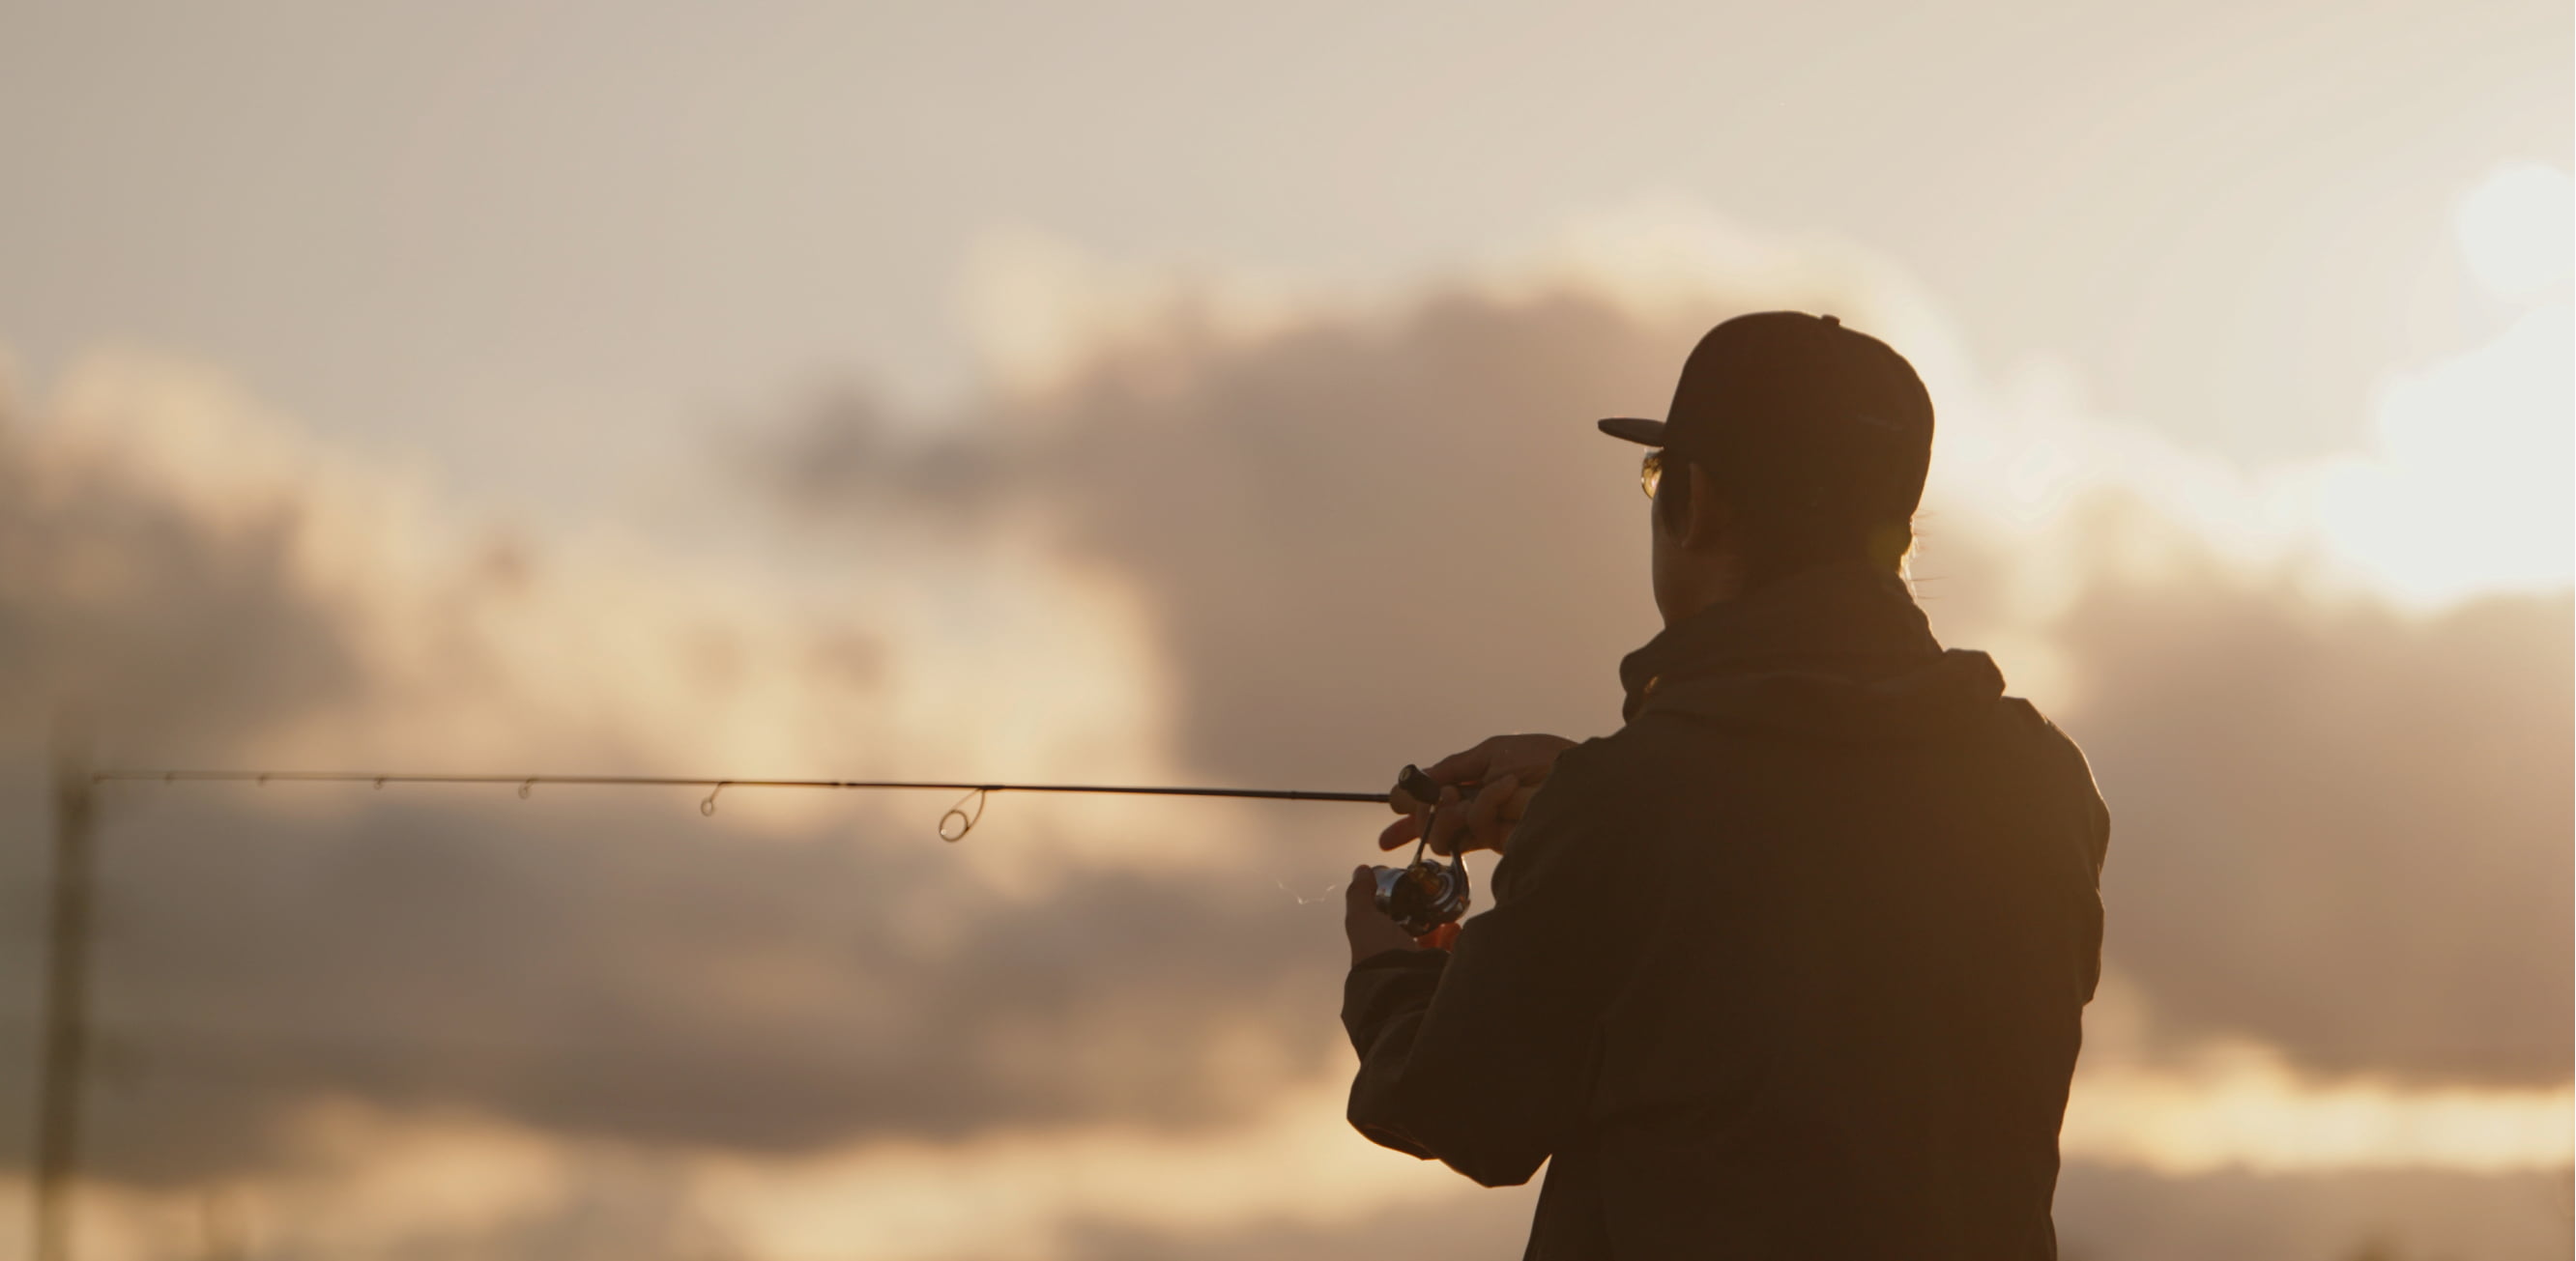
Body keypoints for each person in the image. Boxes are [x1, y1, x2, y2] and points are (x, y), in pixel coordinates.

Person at [1340, 311, 2110, 1260]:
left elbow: (1464, 1112)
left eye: (1655, 477)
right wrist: (1593, 792)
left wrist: (1390, 965)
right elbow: (1823, 856)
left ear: (1698, 502)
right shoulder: (2041, 781)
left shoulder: (1628, 808)